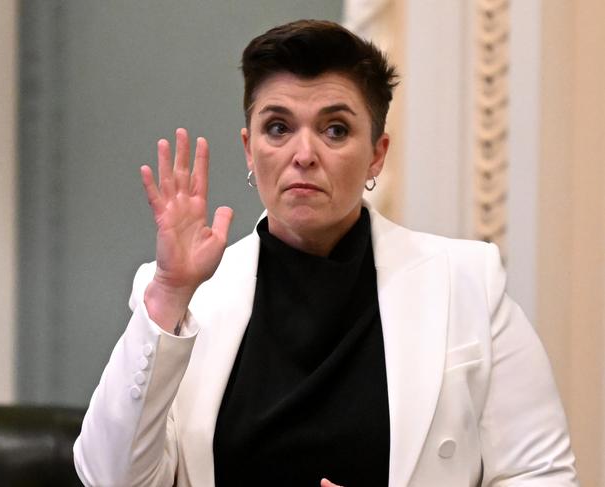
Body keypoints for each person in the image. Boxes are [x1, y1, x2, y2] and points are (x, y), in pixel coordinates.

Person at [73, 20, 578, 487]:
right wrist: (169, 292)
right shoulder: (183, 297)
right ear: (249, 149)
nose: (304, 153)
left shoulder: (466, 280)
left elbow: (542, 475)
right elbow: (108, 478)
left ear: (376, 154)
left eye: (335, 129)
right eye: (278, 127)